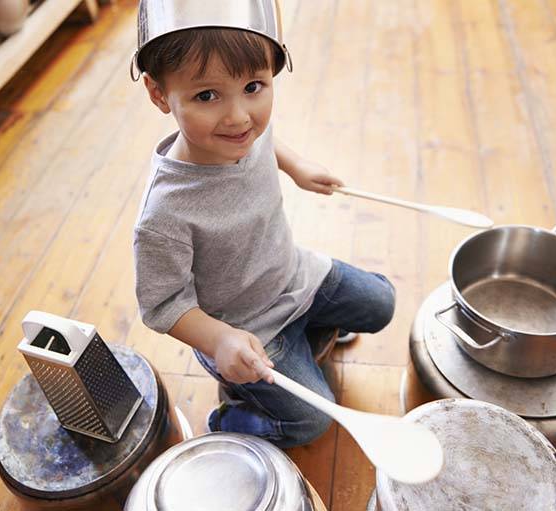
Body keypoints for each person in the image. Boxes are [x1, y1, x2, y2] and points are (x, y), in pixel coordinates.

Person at [132, 19, 395, 448]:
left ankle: (310, 332)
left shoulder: (239, 131)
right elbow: (162, 306)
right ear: (158, 93)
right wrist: (221, 340)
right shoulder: (163, 214)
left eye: (254, 86)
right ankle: (230, 423)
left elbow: (264, 138)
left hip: (295, 276)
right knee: (312, 422)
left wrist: (297, 167)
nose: (239, 118)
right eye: (206, 95)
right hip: (247, 328)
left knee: (382, 303)